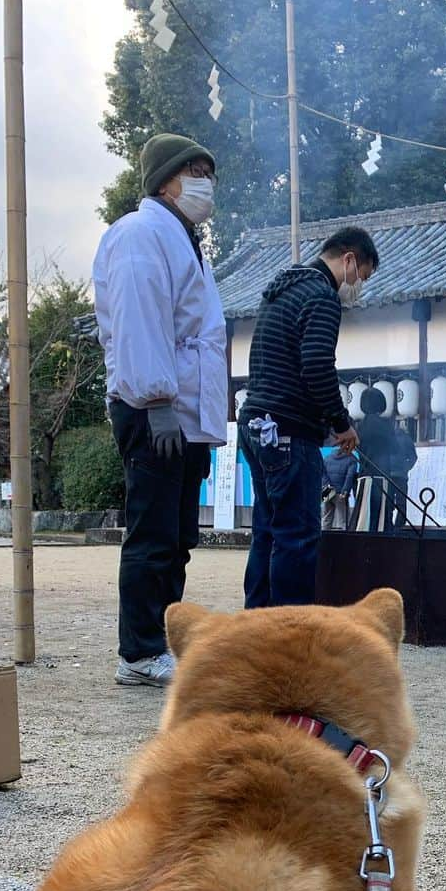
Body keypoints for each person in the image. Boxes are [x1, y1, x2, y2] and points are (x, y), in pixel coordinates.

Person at [93, 133, 227, 687]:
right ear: (166, 180)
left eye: (208, 172)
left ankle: (163, 643)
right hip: (156, 407)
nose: (206, 183)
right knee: (152, 533)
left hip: (181, 409)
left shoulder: (180, 237)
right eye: (196, 171)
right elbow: (139, 322)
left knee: (176, 538)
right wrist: (156, 401)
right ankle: (140, 651)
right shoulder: (141, 233)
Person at [239, 227, 379, 607]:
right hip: (288, 429)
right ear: (349, 259)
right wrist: (340, 423)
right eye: (362, 276)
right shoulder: (321, 296)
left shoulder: (283, 289)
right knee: (297, 536)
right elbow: (317, 365)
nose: (357, 287)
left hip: (256, 422)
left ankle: (257, 628)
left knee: (268, 532)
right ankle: (291, 633)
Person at [353, 387, 397, 532]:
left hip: (363, 476)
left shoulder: (359, 426)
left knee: (363, 518)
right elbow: (394, 448)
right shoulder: (385, 426)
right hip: (381, 475)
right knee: (381, 519)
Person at [389, 423, 419, 529]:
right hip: (402, 475)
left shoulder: (389, 438)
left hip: (388, 474)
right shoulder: (407, 439)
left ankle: (388, 523)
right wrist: (406, 467)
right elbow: (413, 457)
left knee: (389, 500)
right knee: (401, 501)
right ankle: (399, 525)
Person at [322, 446, 357, 530]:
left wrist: (327, 486)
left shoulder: (327, 458)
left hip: (327, 490)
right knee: (343, 520)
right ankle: (343, 541)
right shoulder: (352, 459)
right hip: (341, 492)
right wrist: (345, 491)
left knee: (326, 517)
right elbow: (349, 477)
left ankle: (323, 539)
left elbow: (322, 473)